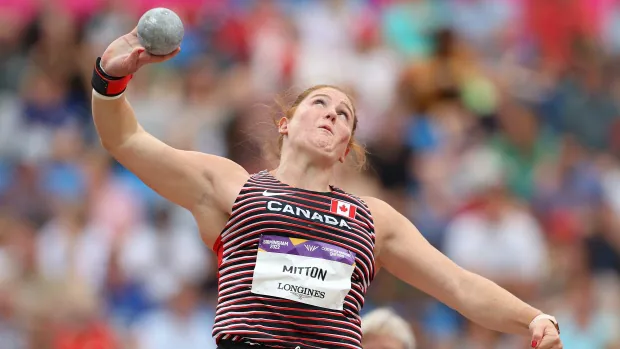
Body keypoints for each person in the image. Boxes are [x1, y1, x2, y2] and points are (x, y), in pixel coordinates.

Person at [90, 27, 563, 349]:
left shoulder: (373, 219)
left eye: (345, 115)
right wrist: (110, 77)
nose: (333, 113)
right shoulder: (230, 185)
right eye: (319, 103)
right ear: (285, 124)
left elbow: (459, 285)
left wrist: (533, 318)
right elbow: (126, 139)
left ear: (345, 148)